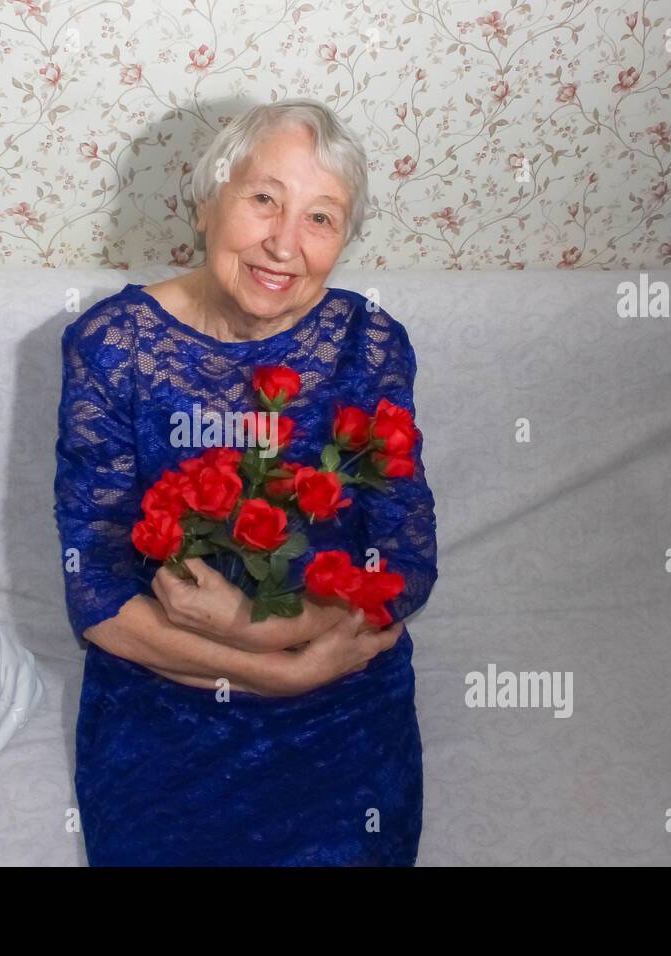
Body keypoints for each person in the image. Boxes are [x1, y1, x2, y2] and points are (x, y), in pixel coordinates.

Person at [52, 99, 439, 865]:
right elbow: (93, 592)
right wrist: (274, 664)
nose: (283, 243)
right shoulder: (111, 346)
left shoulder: (369, 344)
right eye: (264, 198)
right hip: (163, 681)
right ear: (207, 202)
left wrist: (280, 636)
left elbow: (403, 563)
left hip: (341, 682)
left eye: (320, 218)